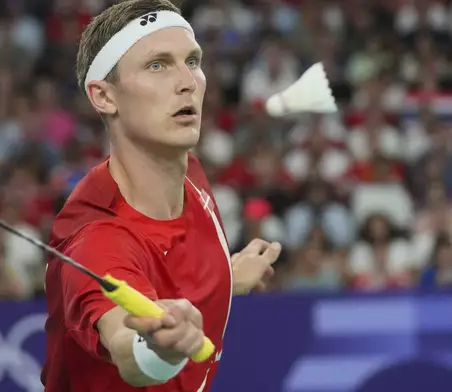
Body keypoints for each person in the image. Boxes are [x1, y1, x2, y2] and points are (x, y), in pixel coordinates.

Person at [42, 1, 281, 391]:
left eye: (192, 60)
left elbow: (172, 262)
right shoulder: (96, 242)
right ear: (103, 96)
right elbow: (126, 343)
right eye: (158, 65)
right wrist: (158, 349)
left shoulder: (190, 176)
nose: (187, 80)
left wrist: (225, 276)